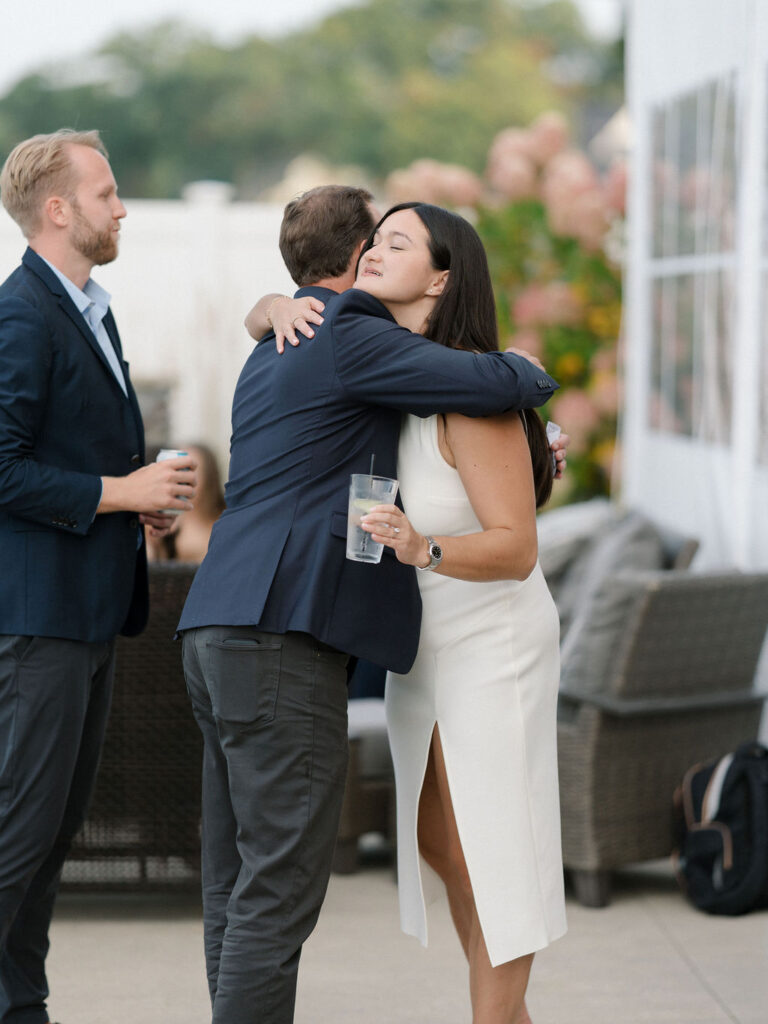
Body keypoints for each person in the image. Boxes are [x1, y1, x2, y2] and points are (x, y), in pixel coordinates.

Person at [177, 184, 560, 1024]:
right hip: (281, 632)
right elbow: (502, 378)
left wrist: (271, 305)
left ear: (439, 278)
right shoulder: (347, 336)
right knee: (275, 890)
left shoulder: (295, 343)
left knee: (245, 883)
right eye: (378, 239)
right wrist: (532, 375)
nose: (384, 251)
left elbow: (499, 513)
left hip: (227, 623)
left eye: (404, 241)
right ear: (352, 267)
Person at [0, 129, 197, 1024]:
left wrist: (140, 504)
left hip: (87, 615)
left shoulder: (91, 308)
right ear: (58, 209)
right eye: (108, 193)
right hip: (36, 620)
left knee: (47, 844)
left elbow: (73, 452)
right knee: (19, 839)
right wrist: (123, 488)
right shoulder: (21, 314)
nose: (122, 209)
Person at [147, 443, 225, 563]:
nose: (181, 477)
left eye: (189, 470)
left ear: (209, 478)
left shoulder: (223, 521)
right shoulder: (161, 518)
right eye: (177, 469)